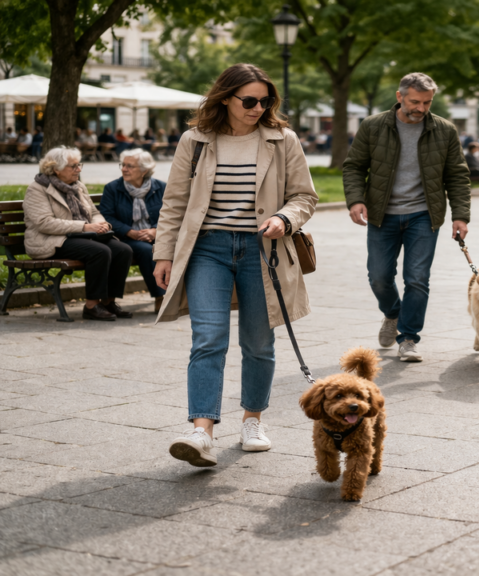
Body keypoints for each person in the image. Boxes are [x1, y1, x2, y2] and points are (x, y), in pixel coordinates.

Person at [154, 63, 318, 467]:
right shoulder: (195, 141)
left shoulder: (283, 140)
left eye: (265, 101)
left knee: (259, 343)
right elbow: (174, 202)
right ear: (225, 98)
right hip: (207, 249)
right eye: (249, 100)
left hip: (263, 250)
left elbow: (304, 196)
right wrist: (164, 253)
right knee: (208, 339)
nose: (258, 107)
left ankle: (252, 420)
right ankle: (201, 431)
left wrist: (285, 218)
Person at [343, 72, 471, 363]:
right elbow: (353, 167)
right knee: (378, 277)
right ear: (399, 97)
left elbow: (458, 176)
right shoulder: (373, 126)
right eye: (415, 101)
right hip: (382, 215)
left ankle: (409, 337)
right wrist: (356, 199)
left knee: (417, 278)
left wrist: (460, 215)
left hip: (423, 216)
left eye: (427, 102)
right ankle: (392, 312)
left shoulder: (444, 130)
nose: (421, 109)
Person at [24, 147, 133, 321]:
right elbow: (44, 223)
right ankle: (91, 305)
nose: (79, 169)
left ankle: (107, 302)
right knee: (100, 251)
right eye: (73, 166)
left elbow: (92, 211)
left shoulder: (78, 186)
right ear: (55, 169)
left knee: (123, 250)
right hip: (52, 240)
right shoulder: (37, 189)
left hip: (81, 236)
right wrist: (84, 227)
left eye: (79, 165)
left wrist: (99, 222)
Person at [99, 148, 167, 308]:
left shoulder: (161, 188)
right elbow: (107, 217)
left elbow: (170, 214)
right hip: (125, 239)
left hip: (157, 236)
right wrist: (129, 231)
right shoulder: (113, 188)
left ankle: (181, 295)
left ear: (144, 170)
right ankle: (161, 298)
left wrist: (155, 231)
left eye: (130, 166)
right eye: (123, 165)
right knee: (146, 250)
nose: (124, 169)